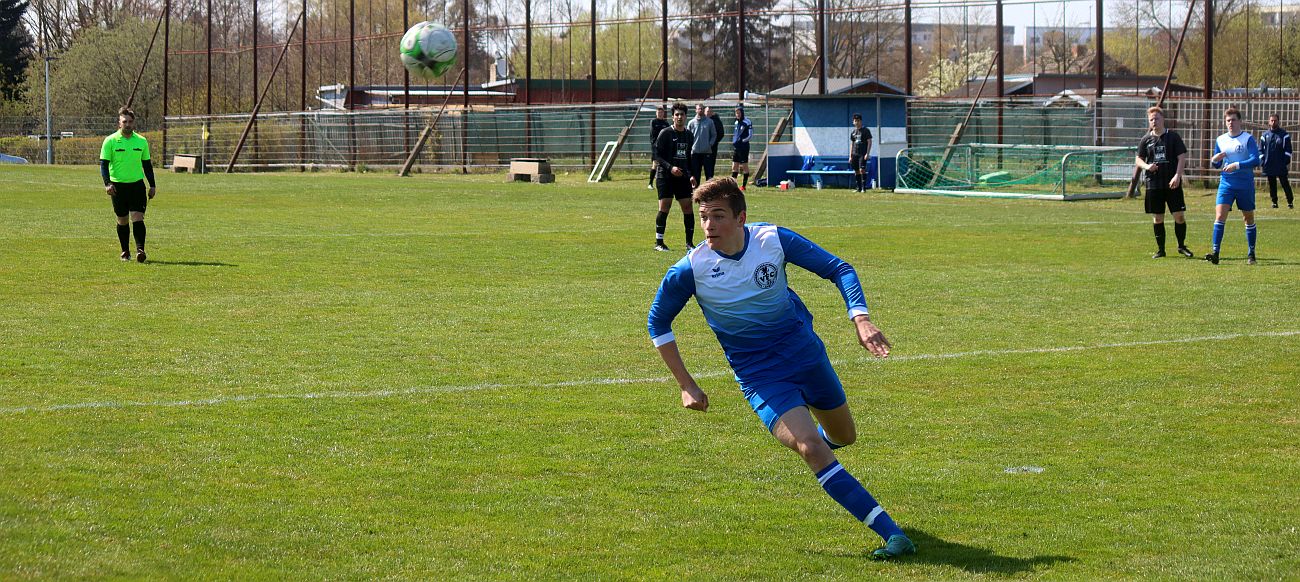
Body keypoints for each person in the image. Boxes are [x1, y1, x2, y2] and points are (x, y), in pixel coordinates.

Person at [646, 178, 916, 561]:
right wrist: (686, 384)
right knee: (810, 447)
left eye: (718, 216)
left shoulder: (773, 240)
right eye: (703, 217)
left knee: (844, 436)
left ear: (741, 218)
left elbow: (839, 268)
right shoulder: (690, 270)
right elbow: (658, 323)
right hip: (760, 375)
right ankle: (892, 534)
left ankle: (825, 454)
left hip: (807, 357)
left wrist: (861, 319)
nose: (708, 226)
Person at [1135, 106, 1194, 259]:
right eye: (1151, 119)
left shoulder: (1173, 137)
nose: (1154, 121)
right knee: (1158, 218)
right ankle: (1161, 250)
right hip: (1154, 184)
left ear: (1163, 119)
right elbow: (1138, 159)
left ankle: (1181, 246)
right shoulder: (1145, 139)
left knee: (1179, 216)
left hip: (1172, 183)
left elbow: (1182, 157)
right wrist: (1147, 166)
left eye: (1157, 118)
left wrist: (1177, 176)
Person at [100, 106, 157, 263]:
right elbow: (104, 165)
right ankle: (125, 251)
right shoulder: (110, 141)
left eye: (130, 122)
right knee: (122, 220)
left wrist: (152, 185)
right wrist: (107, 184)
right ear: (119, 123)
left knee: (138, 217)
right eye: (125, 121)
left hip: (137, 186)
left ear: (134, 123)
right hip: (118, 187)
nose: (128, 125)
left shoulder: (141, 141)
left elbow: (147, 165)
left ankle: (140, 250)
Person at [1207, 106, 1260, 265]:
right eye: (1228, 120)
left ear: (1240, 121)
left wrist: (1236, 165)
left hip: (1245, 184)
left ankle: (1251, 253)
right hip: (1226, 183)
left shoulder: (1247, 139)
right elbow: (1217, 164)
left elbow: (1255, 160)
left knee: (1248, 217)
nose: (1231, 123)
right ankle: (1215, 253)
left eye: (1233, 120)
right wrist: (1214, 160)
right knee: (1220, 216)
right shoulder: (1221, 140)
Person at [652, 102, 698, 252]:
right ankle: (659, 242)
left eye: (682, 114)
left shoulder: (689, 135)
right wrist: (670, 168)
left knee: (687, 207)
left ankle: (689, 244)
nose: (679, 117)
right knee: (665, 206)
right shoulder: (665, 133)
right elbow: (657, 155)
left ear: (685, 117)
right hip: (665, 175)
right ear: (672, 117)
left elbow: (689, 158)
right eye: (676, 114)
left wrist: (691, 175)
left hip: (682, 177)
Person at [1259, 114, 1294, 209]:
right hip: (1269, 165)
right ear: (1269, 122)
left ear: (1278, 121)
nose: (1273, 122)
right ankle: (1274, 202)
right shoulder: (1264, 135)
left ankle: (1290, 202)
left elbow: (1288, 150)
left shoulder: (1284, 135)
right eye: (1272, 120)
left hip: (1280, 165)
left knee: (1284, 183)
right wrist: (1263, 161)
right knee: (1272, 185)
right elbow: (1260, 150)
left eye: (1275, 120)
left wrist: (1285, 161)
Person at [687, 104, 718, 182]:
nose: (700, 110)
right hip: (695, 153)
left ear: (703, 110)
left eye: (701, 109)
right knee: (696, 175)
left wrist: (709, 144)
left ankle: (709, 192)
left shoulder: (710, 122)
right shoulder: (691, 123)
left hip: (707, 152)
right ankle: (696, 192)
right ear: (696, 110)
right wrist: (691, 147)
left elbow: (714, 135)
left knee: (709, 175)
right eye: (698, 109)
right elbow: (687, 136)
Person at [730, 106, 754, 190]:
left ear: (742, 113)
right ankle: (734, 186)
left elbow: (750, 135)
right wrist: (735, 141)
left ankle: (744, 186)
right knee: (734, 166)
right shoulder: (736, 122)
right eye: (736, 113)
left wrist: (743, 140)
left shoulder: (747, 122)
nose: (737, 114)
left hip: (744, 147)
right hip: (736, 147)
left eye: (739, 113)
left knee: (744, 166)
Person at [648, 106, 671, 189]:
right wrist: (655, 145)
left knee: (665, 164)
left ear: (663, 113)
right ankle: (650, 183)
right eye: (659, 113)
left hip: (665, 147)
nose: (660, 114)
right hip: (656, 147)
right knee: (655, 164)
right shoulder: (653, 122)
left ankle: (665, 182)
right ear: (656, 113)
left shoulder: (666, 123)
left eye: (661, 113)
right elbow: (653, 134)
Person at [850, 114, 873, 192]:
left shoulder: (866, 130)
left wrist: (867, 153)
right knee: (856, 170)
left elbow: (869, 142)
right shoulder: (853, 132)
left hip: (862, 154)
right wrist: (850, 156)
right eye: (855, 121)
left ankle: (864, 188)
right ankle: (858, 188)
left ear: (861, 121)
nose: (857, 122)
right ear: (853, 122)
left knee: (862, 170)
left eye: (858, 121)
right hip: (854, 154)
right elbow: (852, 144)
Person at [707, 106, 724, 180]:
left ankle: (710, 181)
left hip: (712, 147)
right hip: (701, 148)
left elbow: (721, 133)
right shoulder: (702, 120)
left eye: (710, 111)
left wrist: (713, 142)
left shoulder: (716, 121)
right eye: (707, 111)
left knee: (710, 165)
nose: (708, 113)